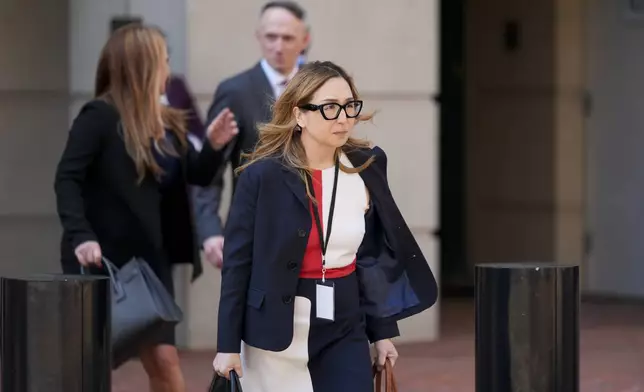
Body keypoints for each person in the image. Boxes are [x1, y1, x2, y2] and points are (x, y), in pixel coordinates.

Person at [212, 61, 438, 392]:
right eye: (330, 108)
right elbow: (237, 264)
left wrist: (382, 331)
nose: (344, 117)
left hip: (345, 324)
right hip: (275, 327)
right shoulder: (262, 176)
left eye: (349, 106)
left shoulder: (366, 165)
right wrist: (227, 346)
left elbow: (370, 255)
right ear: (298, 114)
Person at [54, 24, 237, 392]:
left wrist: (215, 147)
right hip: (101, 260)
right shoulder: (99, 117)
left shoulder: (167, 122)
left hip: (150, 265)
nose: (169, 70)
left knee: (164, 361)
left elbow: (196, 175)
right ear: (143, 66)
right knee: (91, 365)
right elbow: (66, 179)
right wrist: (80, 236)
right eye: (164, 61)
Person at [201, 1, 310, 268]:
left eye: (287, 38)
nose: (279, 46)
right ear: (258, 37)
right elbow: (209, 167)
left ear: (304, 40)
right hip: (254, 232)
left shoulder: (318, 89)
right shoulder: (235, 91)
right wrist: (210, 229)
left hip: (313, 231)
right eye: (271, 37)